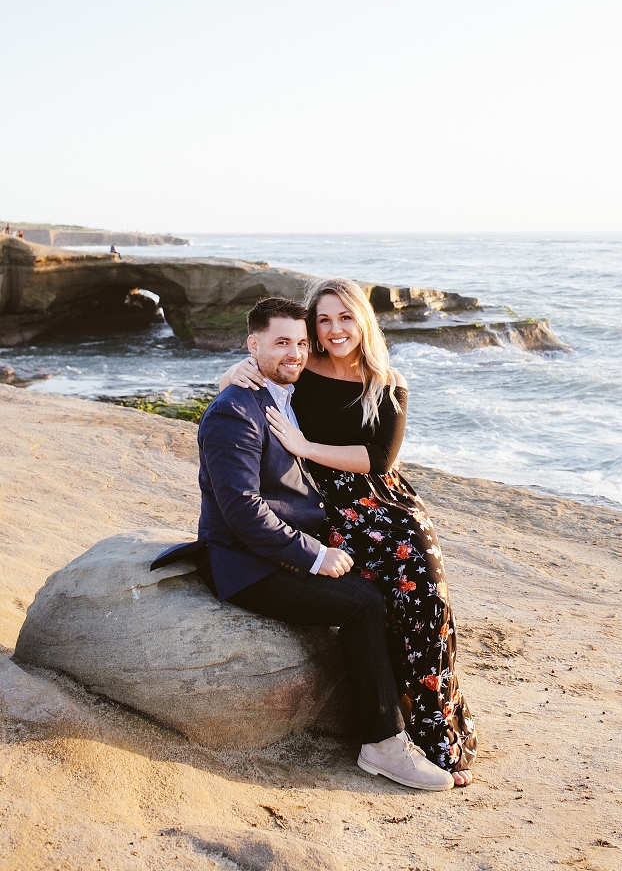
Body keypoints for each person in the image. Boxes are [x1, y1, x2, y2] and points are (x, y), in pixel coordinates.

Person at [155, 296, 454, 792]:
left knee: (384, 594)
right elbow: (242, 511)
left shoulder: (287, 394)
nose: (293, 353)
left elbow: (371, 451)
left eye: (299, 342)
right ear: (253, 345)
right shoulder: (236, 411)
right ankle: (381, 745)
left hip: (289, 544)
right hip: (247, 564)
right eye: (280, 343)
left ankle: (404, 725)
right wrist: (315, 556)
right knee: (364, 604)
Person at [220, 278, 477, 784]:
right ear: (313, 327)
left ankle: (437, 736)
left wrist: (305, 446)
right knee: (378, 601)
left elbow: (380, 458)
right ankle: (389, 730)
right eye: (324, 320)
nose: (336, 330)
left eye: (345, 318)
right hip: (327, 507)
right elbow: (254, 387)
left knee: (427, 600)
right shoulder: (302, 370)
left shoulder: (387, 380)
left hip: (385, 503)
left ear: (363, 320)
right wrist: (234, 370)